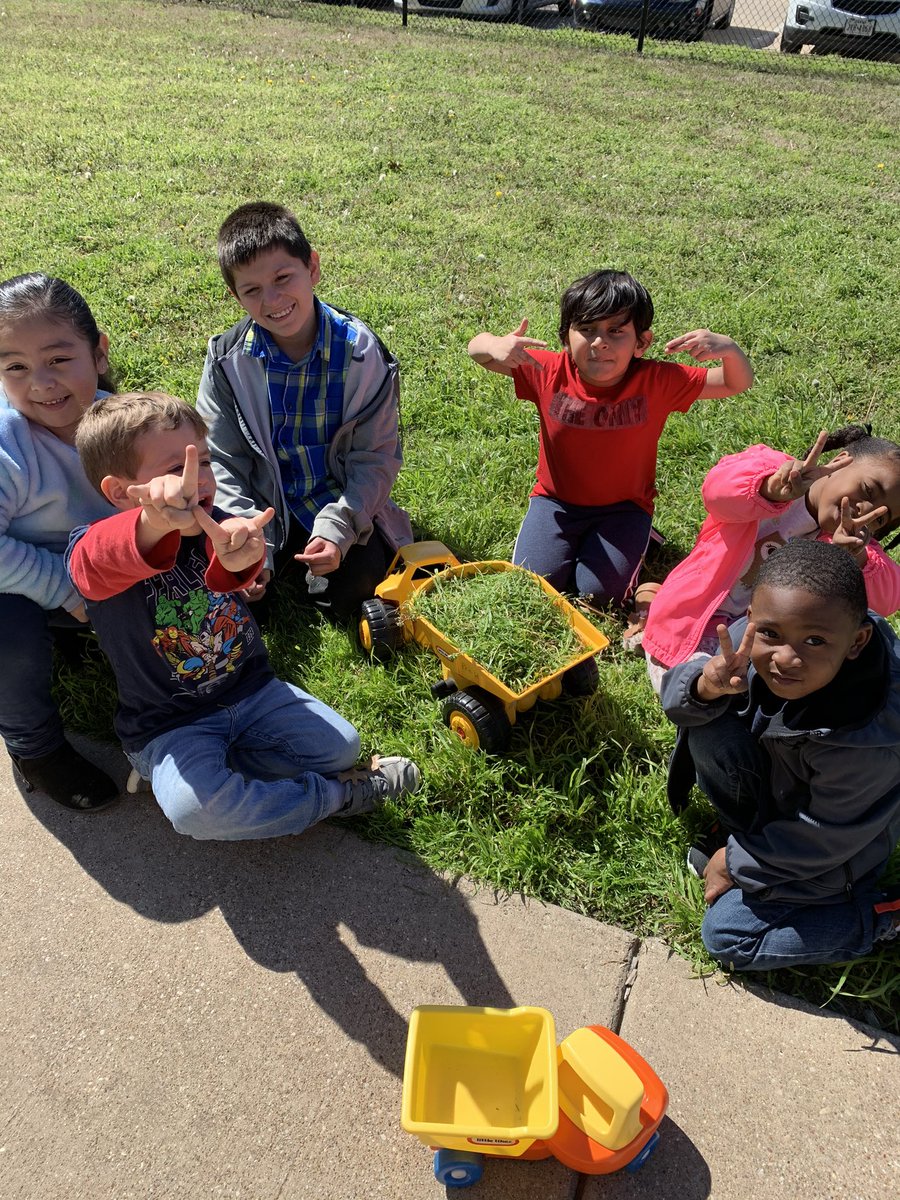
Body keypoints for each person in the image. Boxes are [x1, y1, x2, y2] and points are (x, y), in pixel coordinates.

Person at [66, 392, 421, 841]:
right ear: (121, 492)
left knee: (340, 747)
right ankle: (337, 797)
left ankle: (234, 776)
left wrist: (246, 556)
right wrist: (155, 523)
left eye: (205, 462)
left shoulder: (210, 520)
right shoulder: (94, 547)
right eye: (176, 471)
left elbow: (230, 572)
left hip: (252, 690)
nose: (199, 480)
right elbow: (92, 566)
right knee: (196, 812)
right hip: (170, 724)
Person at [661, 539, 900, 971]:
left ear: (857, 643)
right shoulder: (752, 637)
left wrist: (735, 863)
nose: (786, 658)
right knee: (708, 719)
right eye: (771, 634)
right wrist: (705, 686)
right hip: (784, 790)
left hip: (837, 849)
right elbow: (676, 702)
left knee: (728, 936)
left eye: (814, 641)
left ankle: (876, 918)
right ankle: (744, 831)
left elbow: (828, 836)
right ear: (751, 618)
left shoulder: (867, 736)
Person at [467, 269, 753, 608]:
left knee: (598, 597)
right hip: (555, 504)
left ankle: (643, 536)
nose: (599, 342)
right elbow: (477, 351)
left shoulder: (658, 381)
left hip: (624, 509)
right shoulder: (546, 370)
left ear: (642, 343)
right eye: (586, 330)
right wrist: (495, 345)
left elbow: (736, 382)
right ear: (565, 337)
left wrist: (730, 350)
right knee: (532, 587)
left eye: (616, 331)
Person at [195, 201, 413, 624]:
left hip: (335, 499)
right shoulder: (227, 361)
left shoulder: (363, 357)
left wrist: (339, 529)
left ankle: (328, 558)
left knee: (359, 592)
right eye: (252, 290)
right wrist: (245, 532)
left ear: (312, 267)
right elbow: (221, 459)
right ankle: (269, 562)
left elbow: (376, 458)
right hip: (261, 508)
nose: (272, 300)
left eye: (283, 278)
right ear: (234, 295)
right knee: (230, 598)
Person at [641, 426, 900, 691]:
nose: (865, 510)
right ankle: (651, 607)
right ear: (839, 461)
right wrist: (767, 488)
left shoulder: (853, 544)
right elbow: (716, 492)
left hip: (760, 641)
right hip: (687, 622)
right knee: (692, 692)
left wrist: (853, 559)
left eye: (880, 517)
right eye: (868, 490)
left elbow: (887, 599)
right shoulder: (776, 470)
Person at [0, 272, 120, 812]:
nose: (41, 383)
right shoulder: (9, 448)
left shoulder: (127, 422)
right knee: (8, 637)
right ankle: (34, 747)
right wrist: (62, 587)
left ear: (99, 354)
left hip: (92, 574)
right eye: (16, 368)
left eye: (57, 359)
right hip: (19, 584)